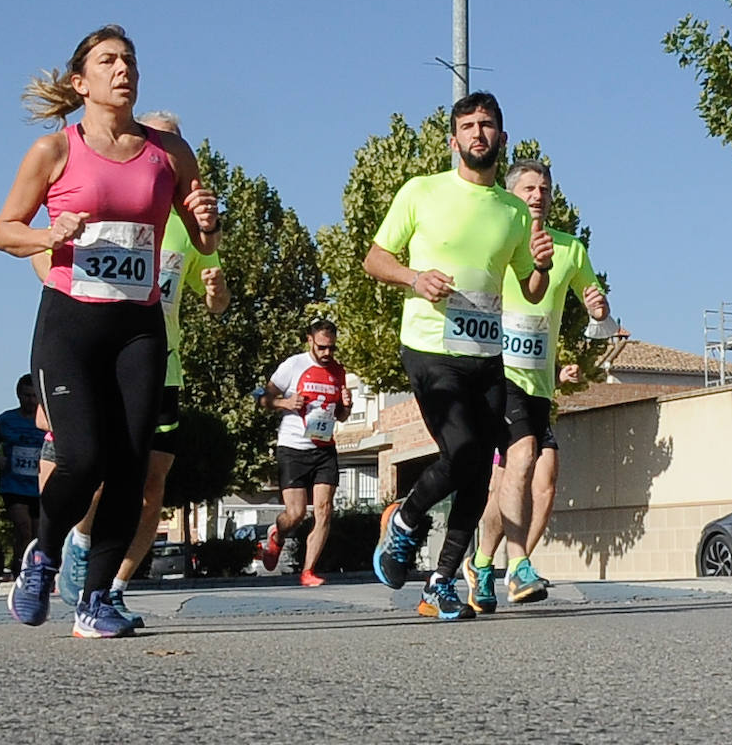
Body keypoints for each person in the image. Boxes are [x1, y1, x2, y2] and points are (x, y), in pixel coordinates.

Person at [0, 24, 220, 638]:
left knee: (128, 464)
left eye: (130, 61)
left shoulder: (168, 152)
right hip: (71, 323)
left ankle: (96, 601)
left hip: (138, 327)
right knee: (84, 455)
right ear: (81, 81)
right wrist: (48, 234)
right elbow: (5, 229)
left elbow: (203, 240)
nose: (123, 70)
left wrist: (207, 220)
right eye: (108, 61)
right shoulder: (55, 150)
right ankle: (40, 555)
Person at [363, 91, 554, 620]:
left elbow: (531, 291)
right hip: (429, 347)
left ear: (502, 137)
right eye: (468, 125)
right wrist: (413, 277)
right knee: (466, 448)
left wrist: (539, 265)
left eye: (487, 125)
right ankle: (404, 521)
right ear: (453, 140)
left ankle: (441, 583)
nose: (478, 133)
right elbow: (375, 259)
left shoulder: (515, 212)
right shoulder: (421, 193)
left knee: (474, 476)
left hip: (486, 356)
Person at [51, 109, 230, 628]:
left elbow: (214, 298)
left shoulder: (188, 228)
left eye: (174, 145)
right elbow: (54, 265)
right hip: (101, 356)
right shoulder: (113, 203)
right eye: (156, 141)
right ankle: (81, 540)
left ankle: (116, 586)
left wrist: (216, 294)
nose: (164, 154)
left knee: (150, 487)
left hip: (161, 367)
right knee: (99, 471)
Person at [463, 159, 614, 611]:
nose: (537, 196)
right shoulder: (497, 244)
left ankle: (482, 563)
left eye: (544, 189)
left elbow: (598, 314)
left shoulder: (570, 249)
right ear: (511, 195)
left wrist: (600, 309)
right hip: (497, 373)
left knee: (527, 477)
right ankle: (519, 564)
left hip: (539, 384)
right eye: (528, 188)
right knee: (522, 459)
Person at [258, 319, 352, 587]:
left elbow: (342, 416)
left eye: (331, 348)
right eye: (322, 347)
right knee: (296, 514)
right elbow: (263, 398)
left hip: (324, 448)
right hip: (293, 448)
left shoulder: (338, 371)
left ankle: (308, 570)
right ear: (310, 340)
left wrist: (347, 405)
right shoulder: (293, 365)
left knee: (324, 509)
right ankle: (277, 535)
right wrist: (284, 402)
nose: (327, 354)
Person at [0, 375, 45, 577]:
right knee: (23, 527)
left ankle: (33, 568)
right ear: (19, 395)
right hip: (14, 485)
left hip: (39, 486)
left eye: (34, 396)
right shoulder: (6, 420)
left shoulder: (46, 420)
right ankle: (20, 567)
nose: (30, 400)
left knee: (37, 533)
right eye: (26, 396)